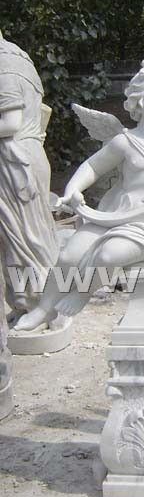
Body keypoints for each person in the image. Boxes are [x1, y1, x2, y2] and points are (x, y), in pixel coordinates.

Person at [15, 65, 144, 331]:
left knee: (108, 255)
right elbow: (93, 167)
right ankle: (43, 309)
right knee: (69, 256)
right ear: (139, 100)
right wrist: (74, 189)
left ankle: (81, 294)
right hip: (116, 216)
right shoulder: (124, 142)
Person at [0, 31, 58, 321]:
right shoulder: (20, 57)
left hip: (15, 161)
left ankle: (38, 306)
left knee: (24, 239)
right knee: (29, 236)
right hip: (28, 156)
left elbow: (10, 122)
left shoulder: (4, 64)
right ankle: (29, 306)